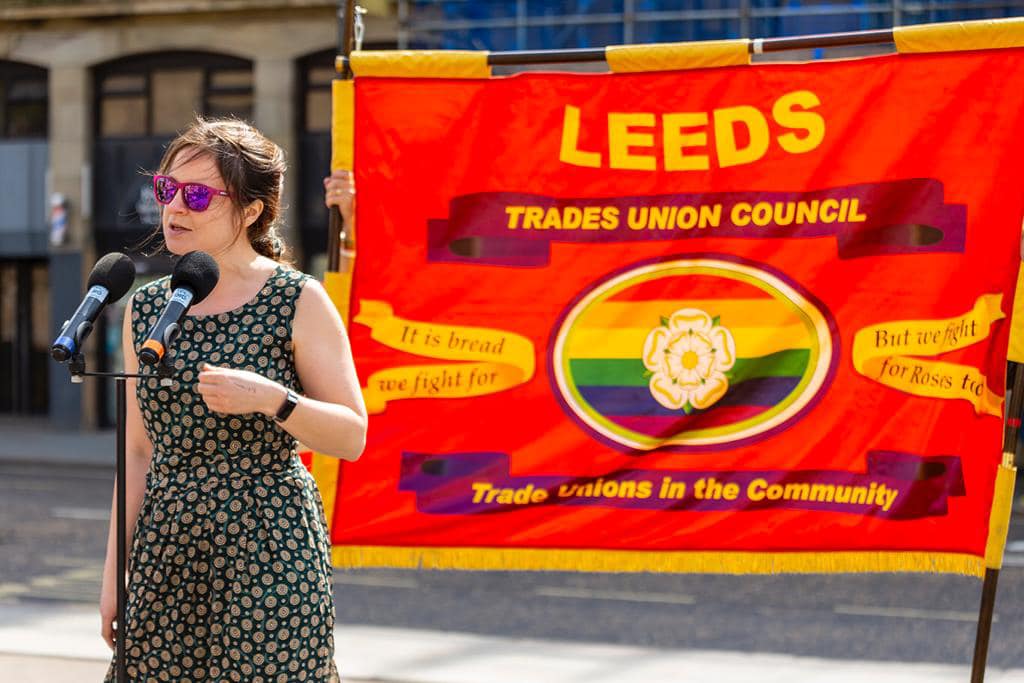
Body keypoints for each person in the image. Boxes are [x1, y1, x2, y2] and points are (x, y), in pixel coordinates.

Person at [100, 116, 367, 682]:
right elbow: (138, 454)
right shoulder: (145, 308)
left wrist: (275, 400)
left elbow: (352, 436)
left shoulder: (298, 299)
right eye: (166, 190)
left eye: (197, 196)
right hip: (166, 546)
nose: (174, 209)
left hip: (270, 543)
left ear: (250, 212)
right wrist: (112, 577)